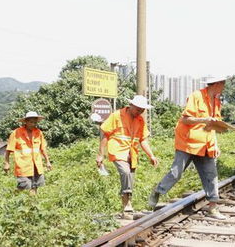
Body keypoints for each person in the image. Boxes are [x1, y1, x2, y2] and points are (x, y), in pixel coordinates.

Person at [148, 76, 227, 220]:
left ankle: (213, 208)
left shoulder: (216, 101)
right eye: (223, 84)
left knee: (211, 174)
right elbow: (185, 119)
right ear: (217, 84)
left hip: (205, 144)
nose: (224, 87)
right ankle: (158, 191)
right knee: (176, 173)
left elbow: (213, 125)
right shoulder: (196, 96)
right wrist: (204, 119)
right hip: (187, 142)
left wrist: (215, 143)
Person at [96, 95, 159, 217]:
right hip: (118, 150)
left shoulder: (140, 120)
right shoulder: (117, 116)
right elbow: (105, 135)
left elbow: (143, 140)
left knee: (130, 179)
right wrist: (100, 155)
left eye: (142, 110)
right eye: (138, 109)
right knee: (125, 172)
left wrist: (151, 155)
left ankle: (126, 207)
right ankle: (127, 205)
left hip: (132, 154)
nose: (140, 112)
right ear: (131, 106)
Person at [3, 111, 52, 196]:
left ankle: (32, 203)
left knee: (35, 186)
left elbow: (43, 148)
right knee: (23, 187)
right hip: (23, 166)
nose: (33, 124)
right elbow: (8, 150)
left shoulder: (39, 133)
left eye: (35, 122)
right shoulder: (16, 133)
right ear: (25, 121)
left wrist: (47, 161)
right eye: (31, 122)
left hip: (37, 165)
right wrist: (6, 163)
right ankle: (12, 197)